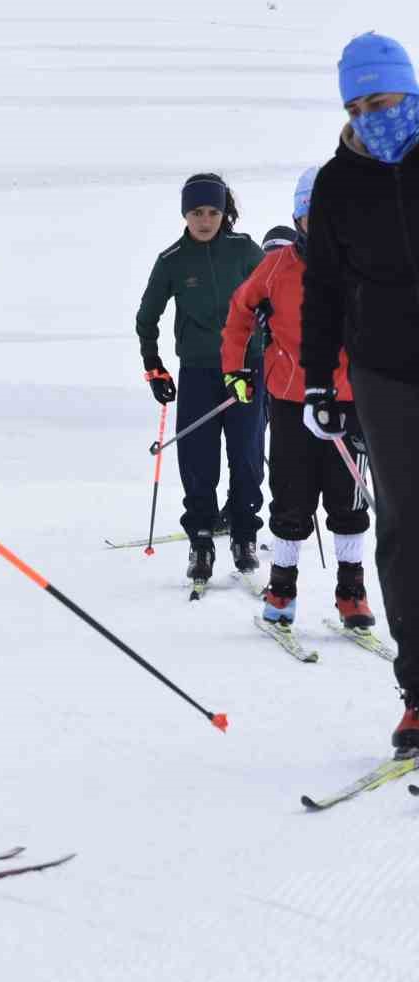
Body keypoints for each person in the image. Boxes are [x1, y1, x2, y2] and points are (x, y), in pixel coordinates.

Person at [301, 32, 419, 754]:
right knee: (405, 529)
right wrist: (320, 379)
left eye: (380, 100)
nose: (370, 116)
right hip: (384, 371)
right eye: (356, 107)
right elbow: (321, 289)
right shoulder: (337, 184)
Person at [219, 168, 372, 633]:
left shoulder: (365, 265)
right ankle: (281, 588)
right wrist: (236, 368)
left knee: (347, 502)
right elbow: (239, 312)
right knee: (291, 496)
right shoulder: (277, 267)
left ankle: (351, 592)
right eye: (313, 216)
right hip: (290, 399)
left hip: (349, 401)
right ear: (299, 219)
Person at [135, 175, 267, 586]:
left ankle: (244, 535)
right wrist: (154, 365)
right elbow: (147, 317)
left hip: (247, 369)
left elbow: (274, 299)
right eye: (197, 213)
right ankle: (202, 540)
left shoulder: (244, 250)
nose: (205, 220)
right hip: (198, 371)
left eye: (212, 212)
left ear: (224, 213)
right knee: (197, 461)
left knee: (246, 456)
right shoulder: (172, 260)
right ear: (185, 214)